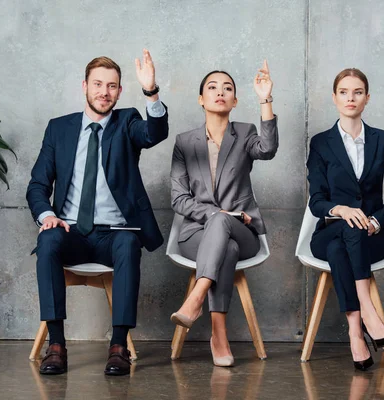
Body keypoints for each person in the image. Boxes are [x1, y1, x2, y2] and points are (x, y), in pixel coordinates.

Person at [26, 50, 169, 376]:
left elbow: (154, 133)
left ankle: (118, 346)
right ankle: (57, 345)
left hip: (114, 232)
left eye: (112, 86)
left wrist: (151, 91)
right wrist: (47, 215)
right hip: (70, 230)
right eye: (98, 84)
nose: (104, 92)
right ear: (85, 86)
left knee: (128, 245)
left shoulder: (128, 121)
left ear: (119, 92)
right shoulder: (58, 129)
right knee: (47, 242)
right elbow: (37, 185)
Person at [169, 61, 278, 367]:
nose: (220, 92)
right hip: (195, 235)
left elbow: (268, 149)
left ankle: (196, 297)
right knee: (224, 243)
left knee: (228, 234)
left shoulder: (245, 133)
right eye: (212, 88)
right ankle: (219, 334)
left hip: (245, 232)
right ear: (201, 99)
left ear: (235, 100)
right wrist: (219, 214)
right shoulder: (184, 142)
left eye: (227, 88)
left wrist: (265, 99)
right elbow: (179, 199)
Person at [306, 68, 384, 371]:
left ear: (367, 98)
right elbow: (317, 201)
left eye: (358, 92)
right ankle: (369, 312)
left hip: (370, 239)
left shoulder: (383, 140)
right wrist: (343, 210)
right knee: (346, 231)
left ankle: (354, 331)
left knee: (346, 244)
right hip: (327, 233)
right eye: (344, 92)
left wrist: (376, 221)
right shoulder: (321, 143)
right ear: (334, 97)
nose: (350, 98)